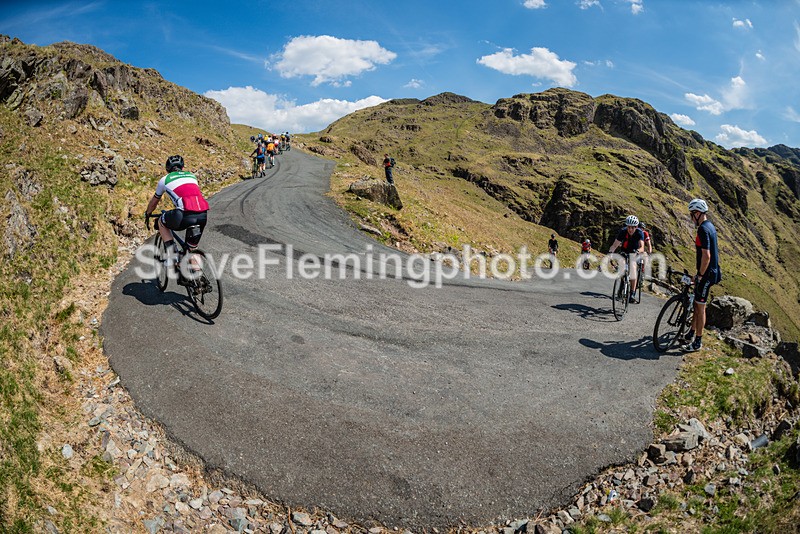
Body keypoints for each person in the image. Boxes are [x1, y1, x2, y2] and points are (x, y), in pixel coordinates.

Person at [145, 155, 209, 273]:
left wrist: (148, 213)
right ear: (182, 167)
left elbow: (154, 202)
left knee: (161, 222)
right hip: (203, 213)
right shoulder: (192, 176)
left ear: (167, 169)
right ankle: (198, 279)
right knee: (192, 248)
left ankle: (172, 256)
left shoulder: (165, 179)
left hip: (184, 213)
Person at [682, 199, 722, 352]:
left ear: (697, 213)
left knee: (700, 308)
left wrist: (699, 276)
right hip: (710, 272)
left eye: (692, 215)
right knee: (696, 304)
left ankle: (697, 342)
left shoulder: (703, 230)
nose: (691, 219)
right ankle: (691, 333)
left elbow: (707, 256)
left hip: (707, 274)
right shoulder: (710, 226)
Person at [608, 215, 645, 302]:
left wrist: (638, 251)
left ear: (636, 227)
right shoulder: (623, 231)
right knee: (622, 266)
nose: (630, 229)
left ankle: (632, 293)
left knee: (632, 268)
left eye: (633, 227)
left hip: (635, 251)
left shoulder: (640, 232)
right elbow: (614, 245)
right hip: (625, 251)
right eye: (629, 227)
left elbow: (642, 247)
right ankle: (622, 284)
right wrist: (610, 252)